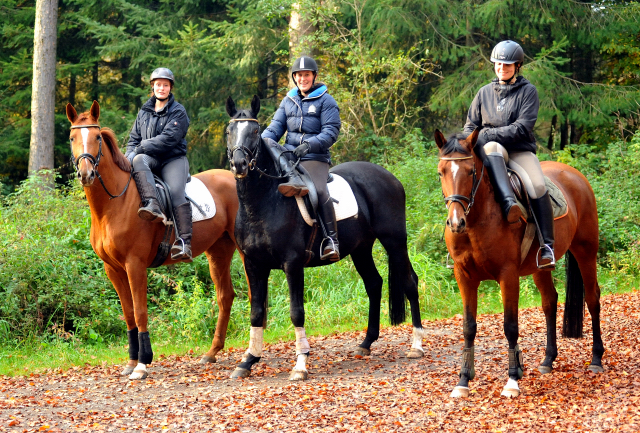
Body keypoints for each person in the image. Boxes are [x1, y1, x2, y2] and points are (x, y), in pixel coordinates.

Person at [463, 40, 555, 269]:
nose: (502, 69)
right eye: (498, 65)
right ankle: (459, 244)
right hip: (491, 151)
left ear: (518, 66)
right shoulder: (483, 93)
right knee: (459, 182)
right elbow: (468, 128)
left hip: (519, 149)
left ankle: (548, 247)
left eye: (507, 65)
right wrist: (479, 139)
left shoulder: (528, 92)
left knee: (537, 186)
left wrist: (485, 135)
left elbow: (522, 128)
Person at [262, 55, 342, 261]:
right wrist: (260, 144)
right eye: (298, 75)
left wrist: (308, 145)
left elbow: (331, 131)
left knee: (319, 190)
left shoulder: (327, 101)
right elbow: (274, 129)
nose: (302, 79)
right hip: (288, 156)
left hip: (315, 157)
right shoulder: (288, 101)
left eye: (306, 75)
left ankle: (331, 240)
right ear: (294, 77)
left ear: (314, 76)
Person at [125, 67, 193, 261]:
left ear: (170, 88)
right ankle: (151, 204)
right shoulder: (144, 112)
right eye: (158, 85)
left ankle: (184, 242)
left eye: (165, 85)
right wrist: (128, 156)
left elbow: (169, 139)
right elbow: (133, 139)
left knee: (175, 192)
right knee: (137, 160)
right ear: (152, 87)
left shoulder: (178, 111)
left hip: (172, 159)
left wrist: (141, 147)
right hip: (150, 158)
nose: (161, 88)